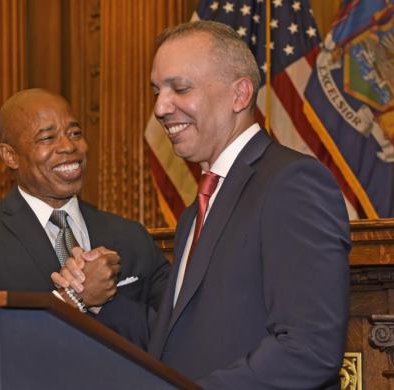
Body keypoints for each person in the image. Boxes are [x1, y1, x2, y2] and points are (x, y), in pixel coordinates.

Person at [146, 21, 350, 389]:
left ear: (240, 94)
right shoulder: (197, 210)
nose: (160, 107)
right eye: (157, 91)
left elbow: (310, 347)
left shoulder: (291, 183)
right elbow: (181, 337)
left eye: (180, 88)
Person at [0, 89, 169, 346]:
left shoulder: (131, 236)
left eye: (75, 133)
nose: (68, 146)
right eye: (47, 138)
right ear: (10, 156)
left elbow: (171, 336)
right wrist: (73, 300)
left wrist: (106, 304)